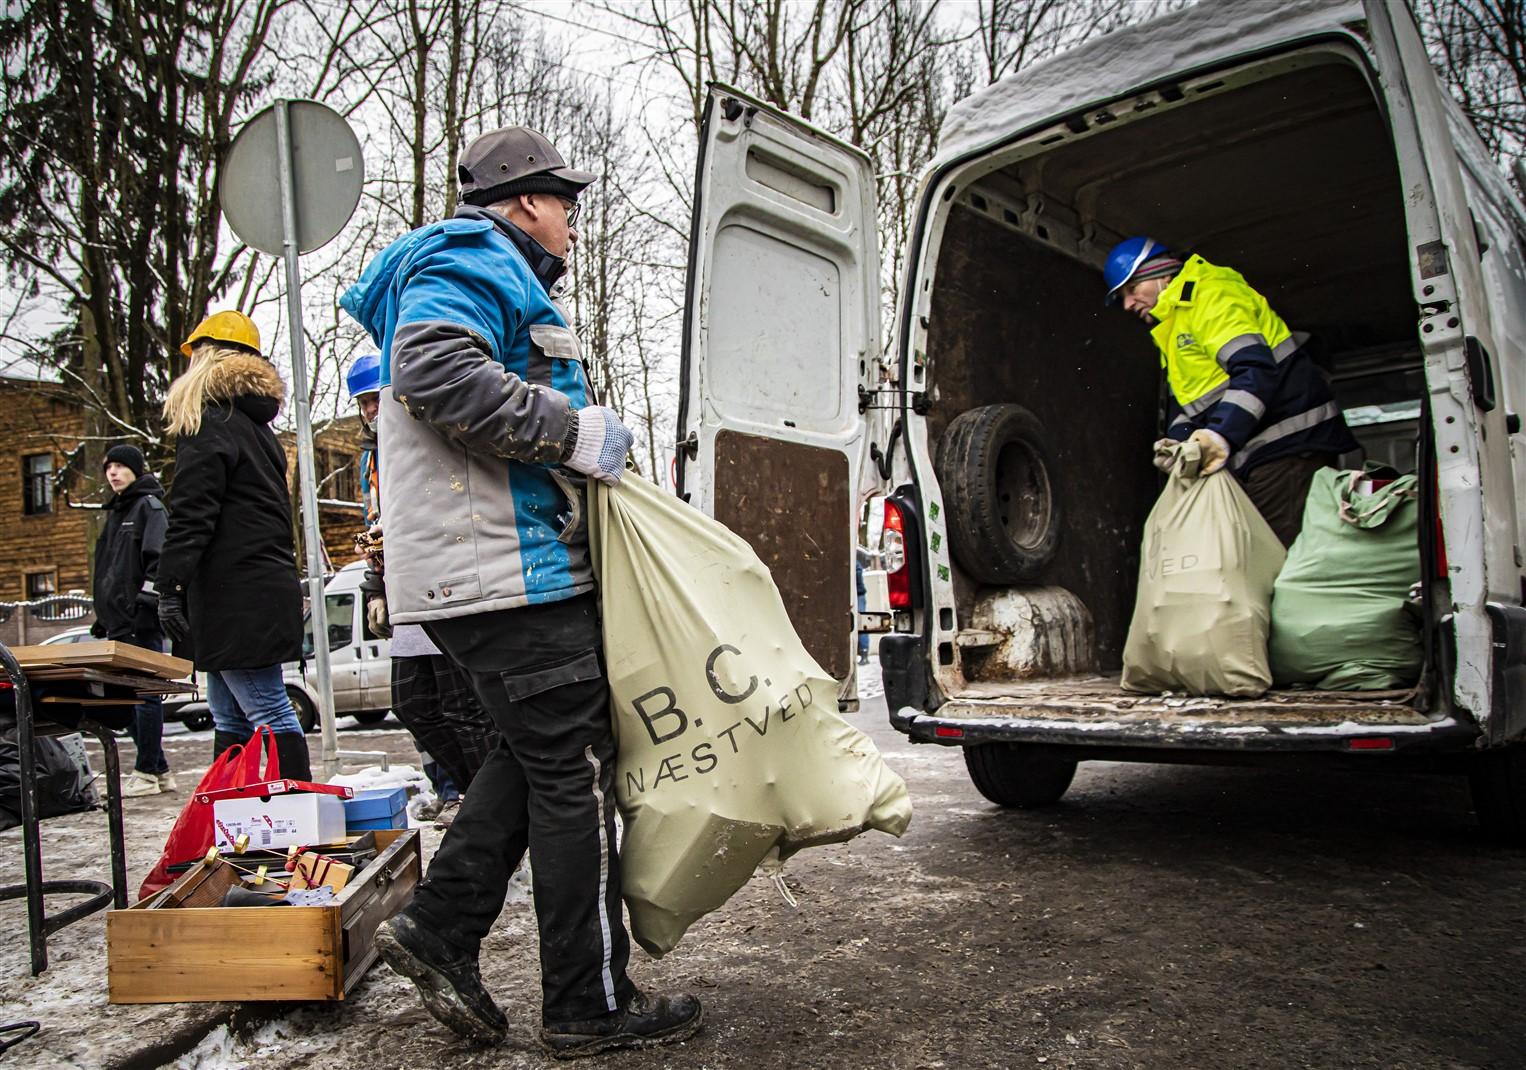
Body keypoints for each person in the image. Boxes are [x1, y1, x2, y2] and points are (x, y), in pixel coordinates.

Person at [342, 125, 702, 1057]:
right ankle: (586, 1002)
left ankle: (442, 928)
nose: (575, 225)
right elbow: (433, 372)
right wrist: (571, 432)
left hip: (494, 572)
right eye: (568, 205)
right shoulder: (473, 255)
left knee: (538, 750)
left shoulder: (488, 270)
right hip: (506, 575)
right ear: (528, 201)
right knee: (571, 773)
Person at [1105, 237, 1359, 546]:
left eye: (1132, 290)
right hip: (1260, 453)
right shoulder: (1172, 326)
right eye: (1122, 297)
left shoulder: (1208, 293)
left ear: (1162, 273)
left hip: (1287, 447)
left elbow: (1255, 371)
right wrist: (1180, 446)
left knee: (1269, 558)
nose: (1128, 304)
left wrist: (1219, 436)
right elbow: (1190, 403)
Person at [156, 310, 311, 780]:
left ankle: (299, 815)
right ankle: (228, 817)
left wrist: (170, 584)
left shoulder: (210, 422)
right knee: (229, 717)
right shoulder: (255, 428)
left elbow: (191, 511)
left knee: (269, 713)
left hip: (234, 593)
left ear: (205, 357)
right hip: (252, 588)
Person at [346, 352, 497, 825]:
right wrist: (375, 587)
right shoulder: (373, 459)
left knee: (462, 706)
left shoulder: (424, 436)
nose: (371, 410)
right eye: (363, 403)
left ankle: (487, 806)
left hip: (442, 582)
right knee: (412, 705)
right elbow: (380, 525)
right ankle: (478, 795)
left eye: (376, 399)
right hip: (403, 588)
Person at [90, 443, 174, 797]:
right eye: (109, 467)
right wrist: (103, 616)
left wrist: (145, 603)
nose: (113, 473)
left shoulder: (147, 507)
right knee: (128, 698)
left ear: (137, 470)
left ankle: (146, 771)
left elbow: (158, 560)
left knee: (144, 697)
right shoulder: (117, 511)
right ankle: (159, 770)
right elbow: (110, 571)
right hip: (118, 622)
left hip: (140, 621)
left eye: (121, 467)